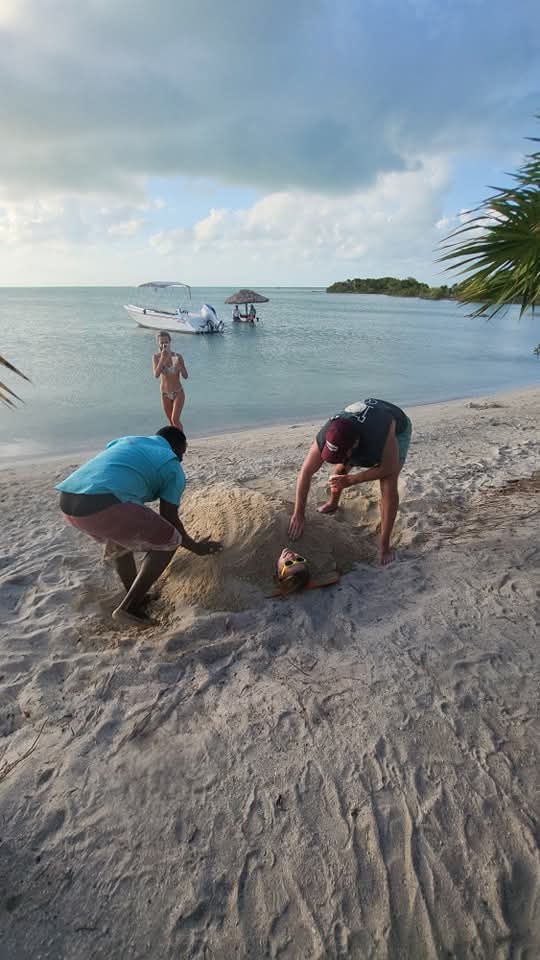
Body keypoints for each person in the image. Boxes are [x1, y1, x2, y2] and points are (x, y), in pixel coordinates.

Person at [56, 427, 221, 626]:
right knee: (170, 539)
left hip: (68, 503)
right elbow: (170, 518)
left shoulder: (128, 440)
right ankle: (129, 607)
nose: (181, 459)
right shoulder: (171, 464)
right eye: (182, 453)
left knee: (120, 540)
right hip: (103, 501)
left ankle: (135, 595)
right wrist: (197, 548)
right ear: (177, 447)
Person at [288, 399, 412, 565]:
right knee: (340, 470)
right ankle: (333, 503)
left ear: (355, 445)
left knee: (388, 482)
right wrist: (299, 513)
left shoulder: (379, 433)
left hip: (395, 429)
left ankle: (384, 545)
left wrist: (352, 480)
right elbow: (306, 471)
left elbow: (387, 468)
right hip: (356, 432)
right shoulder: (328, 432)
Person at [152, 331, 188, 431]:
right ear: (158, 343)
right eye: (161, 342)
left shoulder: (177, 356)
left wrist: (180, 367)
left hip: (178, 392)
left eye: (166, 342)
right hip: (165, 394)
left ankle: (182, 441)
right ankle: (175, 443)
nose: (164, 345)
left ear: (170, 342)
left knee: (175, 419)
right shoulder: (156, 357)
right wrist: (162, 358)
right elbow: (156, 374)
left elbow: (185, 376)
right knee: (171, 422)